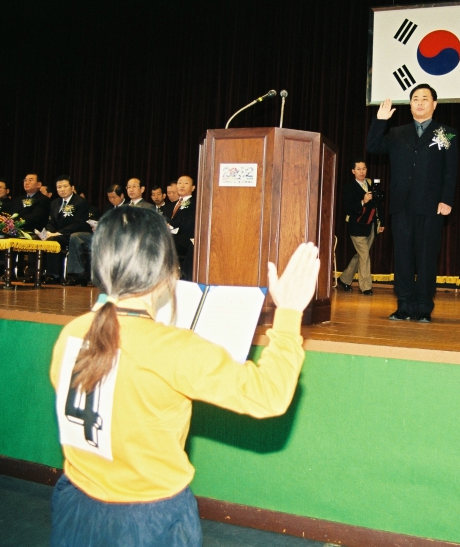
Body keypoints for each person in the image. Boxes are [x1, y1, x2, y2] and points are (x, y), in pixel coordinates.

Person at [49, 206, 319, 546]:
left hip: (75, 504)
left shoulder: (71, 333)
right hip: (148, 519)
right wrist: (290, 311)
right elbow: (269, 396)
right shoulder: (173, 348)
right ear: (168, 272)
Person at [367, 84, 458, 323]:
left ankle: (423, 308)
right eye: (415, 98)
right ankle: (404, 306)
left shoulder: (445, 133)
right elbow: (373, 147)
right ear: (410, 105)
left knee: (427, 258)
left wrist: (446, 199)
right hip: (401, 205)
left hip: (431, 205)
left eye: (425, 98)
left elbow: (451, 170)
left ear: (434, 104)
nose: (419, 102)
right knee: (403, 258)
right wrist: (380, 121)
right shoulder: (397, 133)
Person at [63, 184, 128, 286]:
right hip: (102, 236)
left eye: (114, 197)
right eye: (109, 197)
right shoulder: (108, 206)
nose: (111, 200)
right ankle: (78, 273)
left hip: (115, 238)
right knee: (76, 236)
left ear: (122, 196)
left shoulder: (128, 207)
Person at [337, 159, 385, 295]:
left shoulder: (372, 185)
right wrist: (363, 201)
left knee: (360, 255)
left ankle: (344, 279)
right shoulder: (349, 188)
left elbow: (379, 205)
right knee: (364, 255)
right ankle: (365, 287)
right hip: (357, 227)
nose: (362, 172)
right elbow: (349, 209)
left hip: (371, 226)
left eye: (364, 169)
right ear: (353, 171)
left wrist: (382, 222)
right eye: (358, 169)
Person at [41, 175, 91, 284]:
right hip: (56, 234)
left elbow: (79, 223)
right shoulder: (55, 203)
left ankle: (54, 274)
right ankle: (39, 272)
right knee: (40, 239)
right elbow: (51, 221)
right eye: (59, 187)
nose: (62, 189)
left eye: (65, 186)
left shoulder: (81, 202)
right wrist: (49, 231)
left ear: (72, 188)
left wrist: (58, 233)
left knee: (53, 240)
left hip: (72, 234)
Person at [169, 175, 196, 280]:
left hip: (184, 241)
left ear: (193, 188)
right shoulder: (170, 205)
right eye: (180, 183)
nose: (182, 186)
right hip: (169, 239)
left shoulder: (195, 204)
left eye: (186, 183)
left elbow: (189, 224)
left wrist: (171, 227)